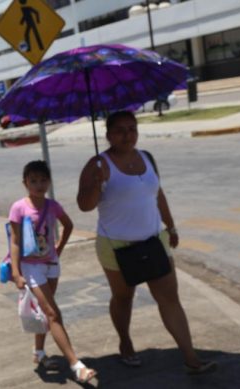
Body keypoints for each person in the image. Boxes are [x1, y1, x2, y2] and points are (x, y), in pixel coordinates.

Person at [76, 110, 216, 374]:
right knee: (123, 298)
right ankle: (125, 342)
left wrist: (170, 225)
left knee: (169, 298)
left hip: (153, 242)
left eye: (132, 128)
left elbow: (157, 194)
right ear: (108, 135)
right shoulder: (98, 165)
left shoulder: (147, 157)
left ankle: (191, 357)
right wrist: (96, 185)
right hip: (116, 247)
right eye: (120, 130)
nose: (127, 135)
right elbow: (84, 205)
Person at [9, 160, 96, 383]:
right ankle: (76, 365)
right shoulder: (19, 207)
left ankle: (39, 353)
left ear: (49, 181)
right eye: (33, 180)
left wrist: (60, 247)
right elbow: (16, 241)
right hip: (31, 268)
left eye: (43, 180)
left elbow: (68, 225)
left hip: (51, 265)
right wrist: (17, 272)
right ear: (25, 183)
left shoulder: (52, 205)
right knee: (52, 313)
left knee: (44, 311)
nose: (39, 185)